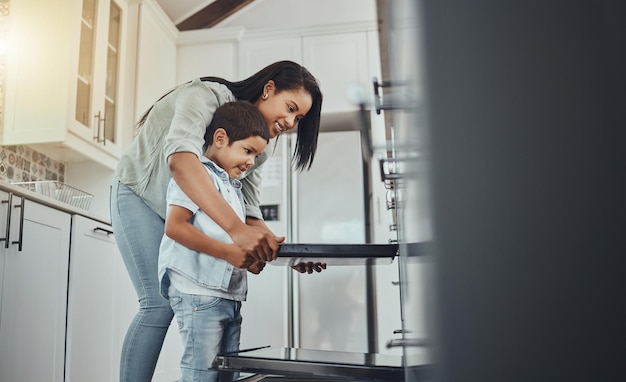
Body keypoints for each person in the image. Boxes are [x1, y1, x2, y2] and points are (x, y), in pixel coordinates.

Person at [110, 60, 324, 382]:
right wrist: (236, 232)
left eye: (299, 118)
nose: (291, 122)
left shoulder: (261, 146)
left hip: (179, 211)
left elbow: (248, 207)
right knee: (157, 304)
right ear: (268, 90)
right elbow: (182, 162)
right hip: (140, 196)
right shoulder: (205, 96)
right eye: (290, 108)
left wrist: (286, 251)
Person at [159, 100, 270, 382]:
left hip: (228, 297)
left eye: (256, 156)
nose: (250, 162)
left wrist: (250, 260)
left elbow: (231, 239)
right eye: (248, 151)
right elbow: (175, 227)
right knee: (202, 374)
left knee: (226, 375)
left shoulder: (234, 187)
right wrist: (228, 254)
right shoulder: (199, 178)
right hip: (199, 294)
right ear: (220, 138)